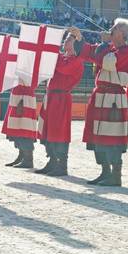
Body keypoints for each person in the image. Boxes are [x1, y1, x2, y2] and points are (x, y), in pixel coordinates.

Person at [69, 19, 128, 186]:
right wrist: (79, 38)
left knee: (111, 138)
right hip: (101, 97)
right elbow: (90, 52)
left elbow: (107, 61)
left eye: (115, 28)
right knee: (97, 137)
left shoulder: (127, 51)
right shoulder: (109, 48)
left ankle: (115, 175)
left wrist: (105, 43)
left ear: (122, 33)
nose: (111, 29)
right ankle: (105, 172)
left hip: (113, 99)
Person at [36, 32, 85, 176]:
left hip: (61, 98)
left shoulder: (76, 60)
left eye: (69, 40)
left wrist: (54, 55)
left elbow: (63, 68)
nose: (65, 41)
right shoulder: (61, 57)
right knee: (47, 129)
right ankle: (52, 161)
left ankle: (62, 165)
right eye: (66, 39)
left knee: (59, 131)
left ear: (75, 43)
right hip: (51, 97)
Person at [2, 80, 37, 169]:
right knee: (17, 128)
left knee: (24, 128)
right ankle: (22, 157)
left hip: (24, 96)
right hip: (18, 94)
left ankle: (28, 160)